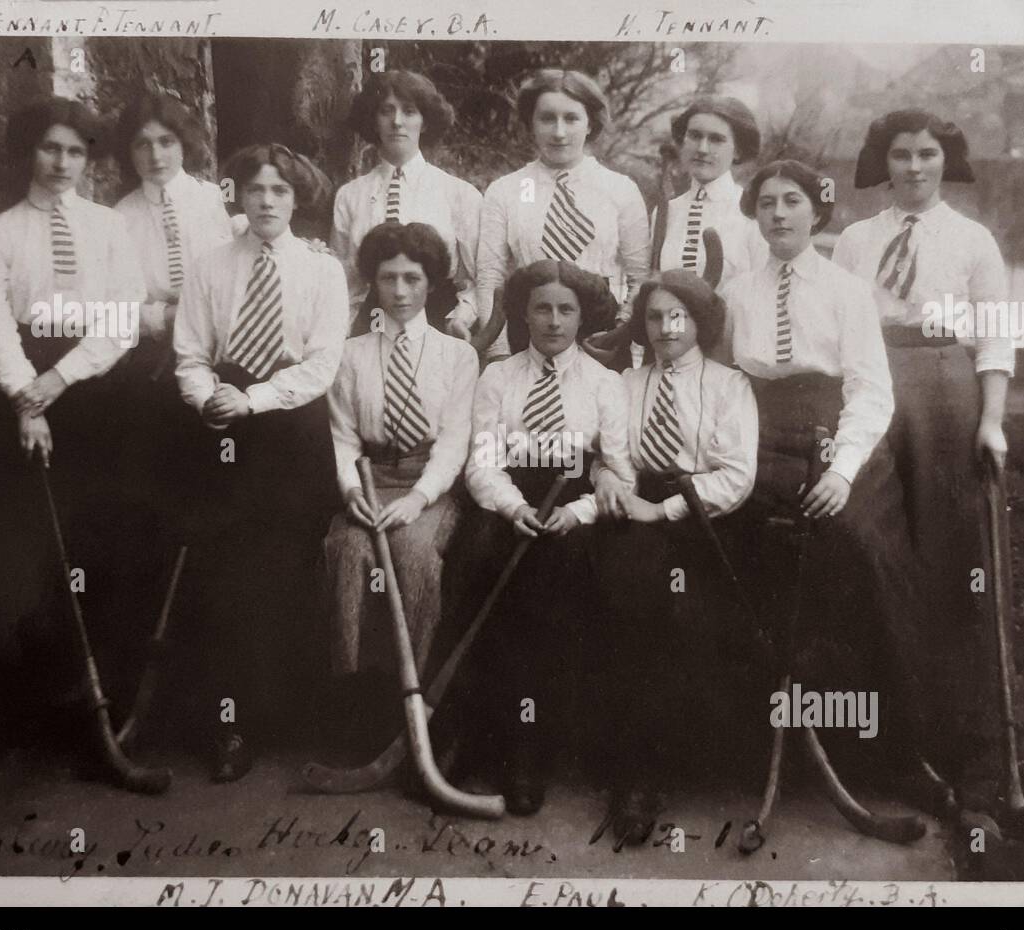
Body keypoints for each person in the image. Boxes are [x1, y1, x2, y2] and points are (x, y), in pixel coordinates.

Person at [723, 159, 957, 813]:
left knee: (859, 546)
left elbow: (870, 390)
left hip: (839, 440)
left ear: (815, 212)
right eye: (765, 201)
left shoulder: (848, 291)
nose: (777, 212)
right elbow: (722, 386)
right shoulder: (736, 292)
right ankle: (732, 741)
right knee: (721, 545)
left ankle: (900, 754)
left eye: (791, 200)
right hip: (758, 438)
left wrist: (842, 469)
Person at [833, 108, 1013, 775]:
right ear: (883, 163)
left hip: (945, 387)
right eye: (902, 154)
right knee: (869, 538)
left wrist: (990, 418)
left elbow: (995, 337)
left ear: (946, 162)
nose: (913, 167)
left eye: (927, 155)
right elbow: (842, 325)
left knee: (948, 546)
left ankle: (953, 729)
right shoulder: (853, 239)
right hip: (875, 379)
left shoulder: (973, 240)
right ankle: (885, 723)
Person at [0, 97, 146, 735]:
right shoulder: (0, 232)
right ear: (29, 152)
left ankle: (107, 696)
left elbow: (123, 316)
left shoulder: (108, 228)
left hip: (95, 387)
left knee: (101, 535)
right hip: (20, 394)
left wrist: (58, 380)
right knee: (32, 544)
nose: (62, 162)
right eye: (50, 148)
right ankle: (36, 709)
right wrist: (25, 398)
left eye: (74, 151)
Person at [173, 142, 349, 781]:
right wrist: (208, 399)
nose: (267, 201)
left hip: (290, 428)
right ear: (238, 197)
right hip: (223, 432)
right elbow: (190, 351)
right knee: (225, 576)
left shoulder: (323, 270)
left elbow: (322, 363)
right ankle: (231, 725)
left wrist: (256, 399)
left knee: (292, 569)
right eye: (255, 190)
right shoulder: (211, 264)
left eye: (279, 190)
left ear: (297, 198)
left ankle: (293, 720)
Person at [591, 269, 759, 840]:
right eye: (655, 317)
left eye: (678, 316)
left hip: (702, 518)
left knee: (681, 612)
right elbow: (611, 453)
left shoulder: (730, 384)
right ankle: (629, 768)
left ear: (700, 323)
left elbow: (735, 477)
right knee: (624, 604)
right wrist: (608, 481)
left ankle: (670, 765)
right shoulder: (626, 383)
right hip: (639, 506)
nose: (666, 328)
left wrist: (662, 512)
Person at [462, 258, 634, 815]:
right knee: (484, 580)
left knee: (560, 596)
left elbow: (619, 470)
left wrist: (580, 512)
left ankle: (549, 748)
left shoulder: (606, 384)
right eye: (542, 308)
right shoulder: (498, 377)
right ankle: (499, 743)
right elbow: (482, 465)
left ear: (583, 317)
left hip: (572, 511)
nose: (554, 321)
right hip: (508, 506)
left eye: (566, 309)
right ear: (523, 313)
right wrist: (513, 507)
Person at [323, 222, 478, 720]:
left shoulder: (457, 356)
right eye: (388, 278)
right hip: (370, 484)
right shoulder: (350, 355)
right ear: (373, 283)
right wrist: (351, 491)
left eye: (413, 278)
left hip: (426, 488)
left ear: (431, 283)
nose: (401, 291)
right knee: (349, 549)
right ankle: (356, 695)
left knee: (411, 552)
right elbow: (344, 436)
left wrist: (418, 499)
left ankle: (413, 696)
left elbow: (454, 442)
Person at [112, 92, 235, 533]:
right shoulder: (118, 217)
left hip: (223, 349)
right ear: (128, 152)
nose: (155, 154)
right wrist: (161, 318)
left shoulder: (214, 200)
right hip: (156, 359)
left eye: (166, 141)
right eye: (142, 144)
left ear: (184, 144)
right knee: (160, 468)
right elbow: (114, 309)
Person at [473, 69, 649, 365]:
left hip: (599, 336)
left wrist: (621, 334)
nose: (559, 132)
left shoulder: (620, 189)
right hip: (528, 333)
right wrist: (498, 350)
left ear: (590, 122)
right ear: (531, 123)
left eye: (571, 118)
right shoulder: (505, 190)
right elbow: (489, 277)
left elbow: (640, 277)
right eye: (547, 118)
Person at [331, 70, 482, 340]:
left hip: (438, 323)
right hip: (369, 326)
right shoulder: (350, 195)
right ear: (374, 120)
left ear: (424, 122)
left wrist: (460, 319)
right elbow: (344, 284)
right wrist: (339, 341)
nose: (397, 122)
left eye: (409, 111)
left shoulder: (458, 193)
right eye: (386, 111)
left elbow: (478, 280)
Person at [648, 96, 769, 364]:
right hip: (668, 356)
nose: (702, 148)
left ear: (737, 150)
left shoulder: (752, 214)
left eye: (716, 139)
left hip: (727, 357)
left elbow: (764, 300)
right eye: (694, 136)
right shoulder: (666, 212)